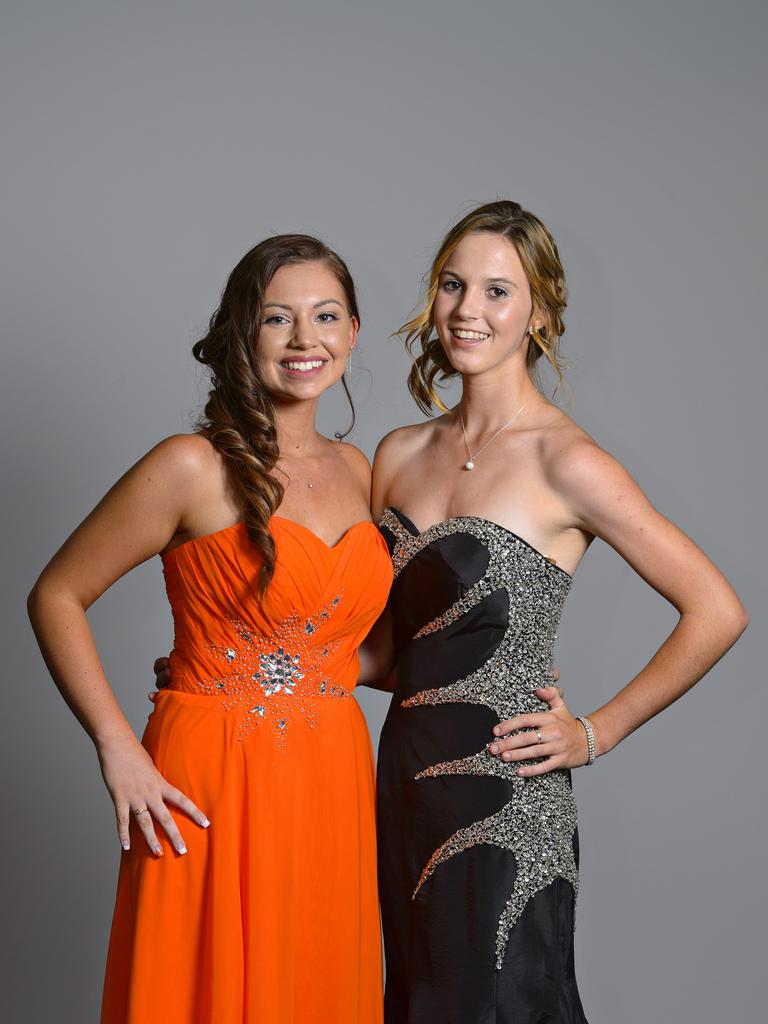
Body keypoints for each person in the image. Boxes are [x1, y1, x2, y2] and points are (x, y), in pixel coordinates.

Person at [370, 200, 748, 1023]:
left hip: (509, 797)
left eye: (498, 292)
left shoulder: (567, 461)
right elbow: (387, 655)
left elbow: (717, 609)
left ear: (538, 313)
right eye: (452, 285)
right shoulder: (396, 454)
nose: (469, 311)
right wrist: (244, 662)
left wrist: (595, 732)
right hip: (403, 787)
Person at [27, 235, 394, 1024]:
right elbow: (56, 593)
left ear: (354, 333)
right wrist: (117, 745)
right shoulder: (190, 466)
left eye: (326, 316)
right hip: (207, 776)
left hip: (331, 774)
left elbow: (381, 647)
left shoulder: (367, 473)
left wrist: (505, 667)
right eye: (277, 319)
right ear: (241, 335)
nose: (306, 340)